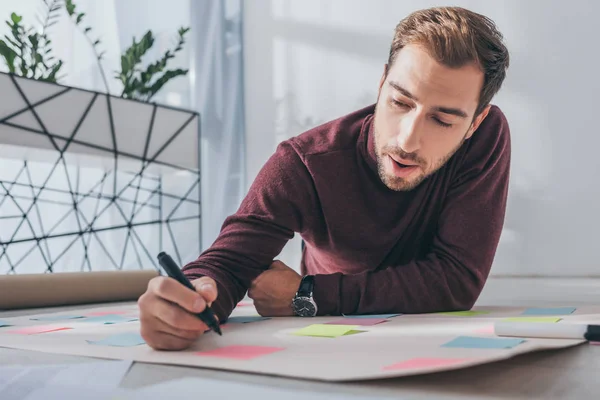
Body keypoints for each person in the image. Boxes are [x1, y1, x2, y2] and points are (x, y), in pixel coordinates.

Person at [138, 6, 511, 350]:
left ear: (474, 122)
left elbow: (456, 281)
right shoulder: (305, 163)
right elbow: (228, 262)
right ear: (382, 83)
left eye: (443, 120)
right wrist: (186, 300)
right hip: (329, 344)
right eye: (400, 102)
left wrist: (309, 294)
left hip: (427, 345)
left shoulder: (486, 136)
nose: (407, 140)